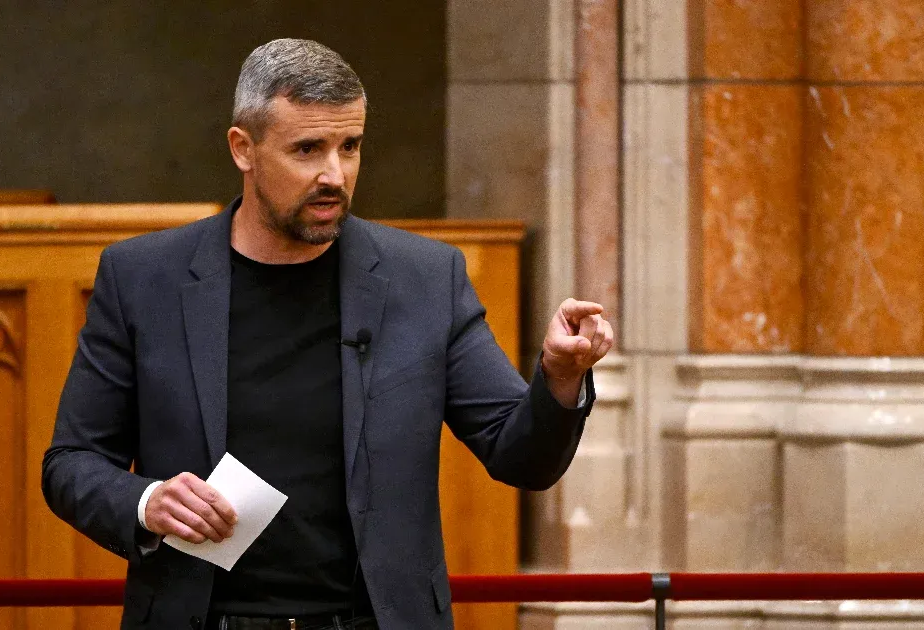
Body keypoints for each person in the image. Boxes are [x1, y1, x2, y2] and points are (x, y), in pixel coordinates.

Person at [42, 38, 613, 630]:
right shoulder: (143, 279)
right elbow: (71, 463)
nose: (334, 175)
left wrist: (559, 376)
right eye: (307, 149)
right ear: (243, 148)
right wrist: (146, 502)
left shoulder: (425, 280)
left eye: (350, 147)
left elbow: (521, 457)